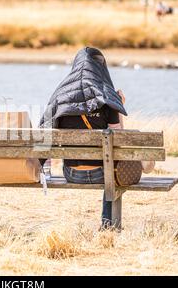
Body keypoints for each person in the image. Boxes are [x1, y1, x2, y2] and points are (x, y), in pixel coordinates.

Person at [39, 47, 154, 229]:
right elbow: (119, 139)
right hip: (103, 174)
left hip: (71, 174)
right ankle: (107, 224)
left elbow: (44, 136)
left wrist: (39, 168)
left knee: (109, 167)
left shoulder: (59, 98)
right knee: (112, 168)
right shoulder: (107, 99)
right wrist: (118, 107)